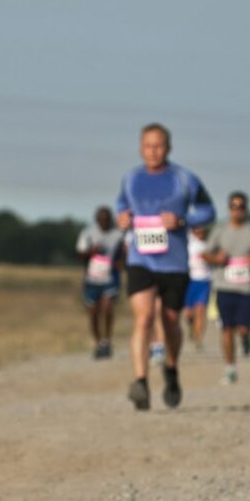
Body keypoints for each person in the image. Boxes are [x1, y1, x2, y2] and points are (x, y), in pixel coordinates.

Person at [116, 123, 215, 410]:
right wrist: (122, 218)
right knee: (144, 318)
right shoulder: (131, 178)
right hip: (141, 260)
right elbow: (122, 206)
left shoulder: (184, 179)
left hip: (174, 263)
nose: (153, 151)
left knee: (170, 321)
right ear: (140, 147)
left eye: (158, 146)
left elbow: (208, 211)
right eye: (148, 146)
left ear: (168, 148)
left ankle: (171, 370)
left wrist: (183, 221)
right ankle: (141, 382)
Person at [204, 192, 250, 384]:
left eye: (241, 206)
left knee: (242, 328)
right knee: (226, 328)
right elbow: (205, 254)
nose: (237, 210)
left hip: (246, 288)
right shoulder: (220, 230)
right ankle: (230, 368)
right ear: (229, 208)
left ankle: (246, 337)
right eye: (234, 206)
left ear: (246, 209)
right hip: (224, 285)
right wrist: (217, 259)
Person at [76, 206, 125, 358]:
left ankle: (107, 341)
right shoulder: (88, 233)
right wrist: (91, 252)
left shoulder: (118, 234)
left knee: (108, 308)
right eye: (101, 219)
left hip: (110, 278)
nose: (104, 222)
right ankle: (98, 343)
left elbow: (125, 252)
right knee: (94, 313)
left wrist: (121, 263)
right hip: (92, 279)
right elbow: (79, 253)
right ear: (97, 220)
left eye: (107, 219)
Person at [183, 225, 213, 349]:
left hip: (204, 281)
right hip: (189, 280)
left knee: (200, 310)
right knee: (188, 314)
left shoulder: (210, 243)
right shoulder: (187, 240)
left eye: (202, 228)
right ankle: (191, 326)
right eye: (197, 228)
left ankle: (199, 339)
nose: (200, 231)